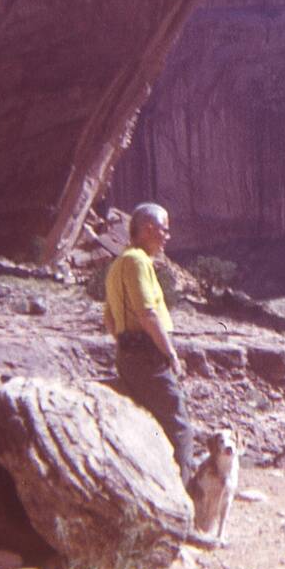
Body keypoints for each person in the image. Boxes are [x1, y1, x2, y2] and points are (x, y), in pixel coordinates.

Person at [103, 202, 195, 487]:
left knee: (146, 425)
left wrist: (125, 344)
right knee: (179, 426)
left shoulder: (118, 263)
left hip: (128, 355)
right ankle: (184, 499)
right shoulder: (138, 262)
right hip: (148, 358)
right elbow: (147, 313)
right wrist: (170, 354)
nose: (168, 237)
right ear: (148, 229)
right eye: (164, 230)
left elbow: (108, 317)